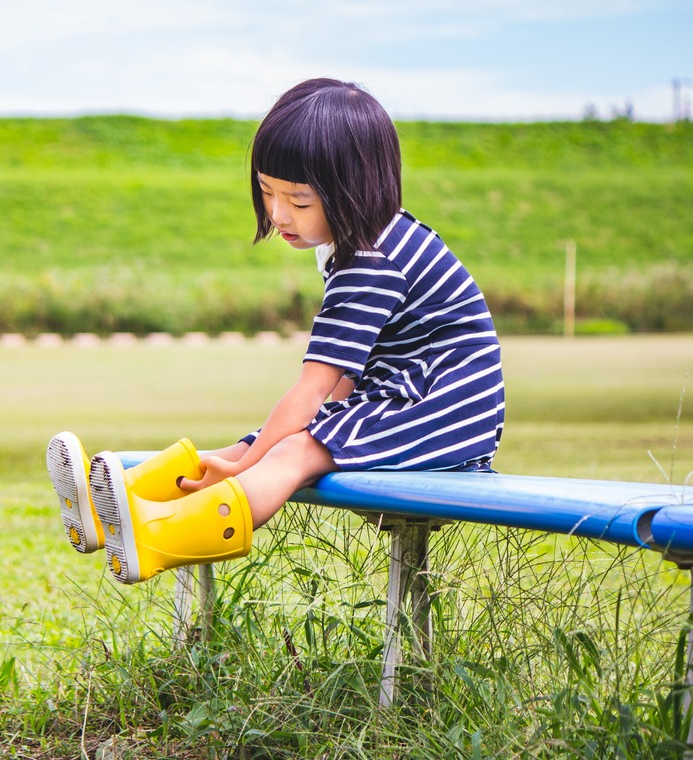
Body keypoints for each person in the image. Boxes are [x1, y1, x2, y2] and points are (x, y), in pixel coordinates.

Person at [47, 78, 505, 585]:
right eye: (267, 191)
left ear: (356, 190)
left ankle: (154, 539)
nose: (278, 214)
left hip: (442, 415)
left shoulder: (373, 261)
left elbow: (314, 386)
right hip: (405, 399)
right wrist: (253, 453)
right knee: (258, 445)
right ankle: (112, 504)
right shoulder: (367, 241)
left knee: (288, 451)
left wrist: (255, 464)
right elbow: (342, 381)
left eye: (299, 201)